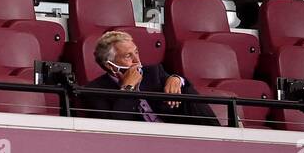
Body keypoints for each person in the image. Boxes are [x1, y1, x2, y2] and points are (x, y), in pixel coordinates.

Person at [78, 31, 219, 126]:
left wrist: (176, 79)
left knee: (186, 91)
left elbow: (184, 85)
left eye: (136, 52)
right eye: (128, 56)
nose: (137, 60)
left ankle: (218, 134)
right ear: (111, 66)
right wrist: (128, 88)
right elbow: (115, 128)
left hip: (174, 136)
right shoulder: (94, 91)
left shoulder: (154, 72)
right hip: (137, 147)